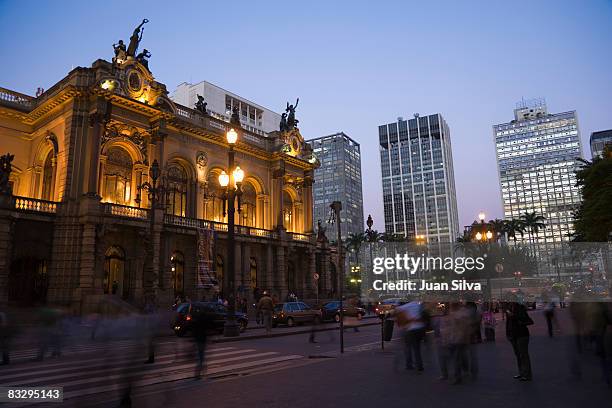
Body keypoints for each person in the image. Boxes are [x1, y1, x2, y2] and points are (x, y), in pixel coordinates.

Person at [395, 297, 426, 372]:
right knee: (417, 349)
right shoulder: (418, 305)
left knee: (409, 347)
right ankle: (420, 366)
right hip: (420, 329)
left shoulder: (407, 306)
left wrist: (407, 319)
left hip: (411, 329)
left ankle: (411, 365)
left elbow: (397, 309)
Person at [506, 301, 533, 381]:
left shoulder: (520, 308)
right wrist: (508, 334)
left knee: (523, 355)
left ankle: (527, 374)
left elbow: (526, 320)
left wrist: (513, 316)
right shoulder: (509, 308)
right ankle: (522, 373)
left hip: (521, 334)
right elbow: (508, 323)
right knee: (518, 355)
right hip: (513, 335)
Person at [192, 310, 212, 380]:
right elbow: (207, 331)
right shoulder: (204, 322)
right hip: (202, 340)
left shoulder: (197, 322)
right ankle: (198, 374)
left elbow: (194, 331)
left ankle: (198, 373)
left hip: (198, 340)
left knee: (200, 357)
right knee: (201, 357)